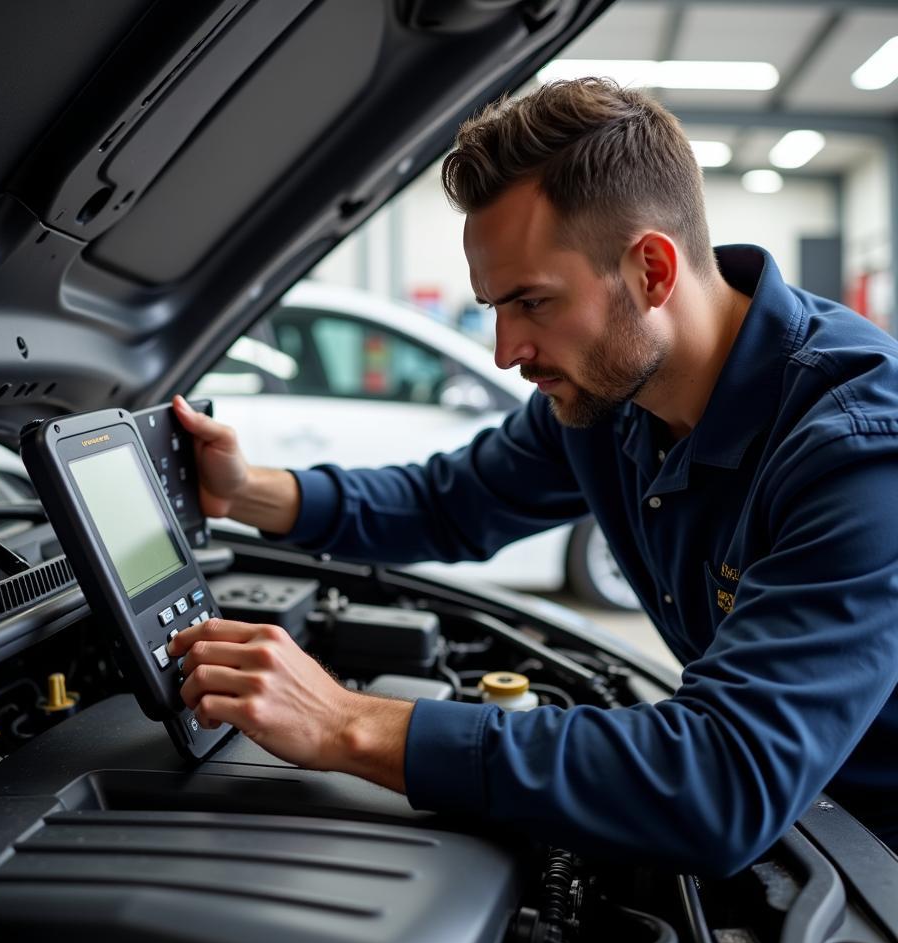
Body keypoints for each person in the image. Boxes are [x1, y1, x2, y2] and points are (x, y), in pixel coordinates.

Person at [168, 77, 898, 876]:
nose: (505, 352)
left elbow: (721, 779)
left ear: (651, 271)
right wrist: (243, 492)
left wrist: (349, 723)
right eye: (493, 308)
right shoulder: (613, 395)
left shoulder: (859, 452)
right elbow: (449, 502)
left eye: (532, 303)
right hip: (807, 829)